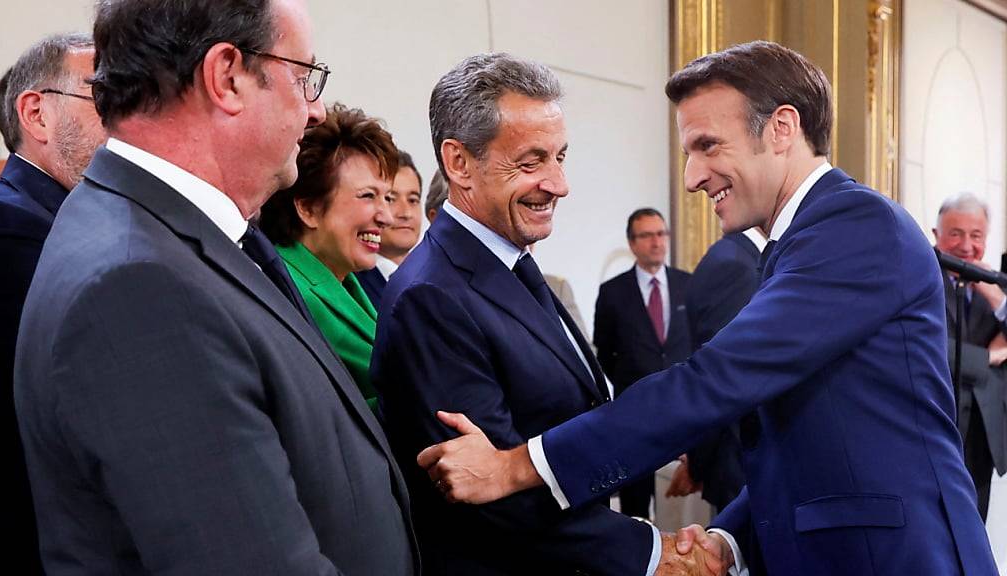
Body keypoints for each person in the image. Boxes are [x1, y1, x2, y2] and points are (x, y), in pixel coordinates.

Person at [416, 41, 997, 576]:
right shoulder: (803, 242)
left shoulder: (856, 226)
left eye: (707, 146)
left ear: (782, 129)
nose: (692, 176)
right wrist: (730, 538)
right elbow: (799, 438)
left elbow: (714, 382)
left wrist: (515, 466)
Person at [13, 2, 418, 574]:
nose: (316, 109)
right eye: (304, 78)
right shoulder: (136, 286)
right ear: (226, 76)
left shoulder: (188, 235)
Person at [372, 52, 711, 576]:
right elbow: (491, 498)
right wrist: (649, 554)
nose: (558, 184)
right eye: (531, 162)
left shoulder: (510, 267)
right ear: (459, 163)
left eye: (560, 157)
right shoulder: (431, 297)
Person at [0, 32, 106, 574]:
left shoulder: (65, 220)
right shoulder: (5, 226)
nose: (132, 125)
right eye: (107, 99)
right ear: (36, 114)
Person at [260, 103, 397, 411]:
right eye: (368, 196)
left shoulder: (347, 281)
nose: (386, 216)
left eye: (386, 197)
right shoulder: (288, 292)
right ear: (308, 208)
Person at [594, 207, 692, 518]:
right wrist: (632, 382)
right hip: (634, 411)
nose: (657, 242)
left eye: (661, 234)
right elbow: (605, 354)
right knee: (636, 506)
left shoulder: (689, 285)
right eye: (647, 235)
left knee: (684, 508)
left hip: (683, 407)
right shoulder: (612, 293)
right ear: (632, 243)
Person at [667, 228, 766, 511]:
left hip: (741, 462)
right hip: (740, 462)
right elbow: (721, 378)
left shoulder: (740, 257)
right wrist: (699, 462)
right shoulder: (734, 265)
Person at [932, 192, 1007, 521]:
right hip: (937, 420)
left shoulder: (994, 282)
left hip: (982, 430)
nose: (965, 246)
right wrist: (988, 358)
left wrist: (997, 299)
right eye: (955, 234)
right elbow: (928, 348)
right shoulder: (923, 278)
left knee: (975, 525)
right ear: (936, 236)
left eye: (975, 236)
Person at [356, 150, 423, 308]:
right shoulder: (352, 283)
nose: (406, 213)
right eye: (390, 199)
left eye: (413, 200)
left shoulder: (437, 277)